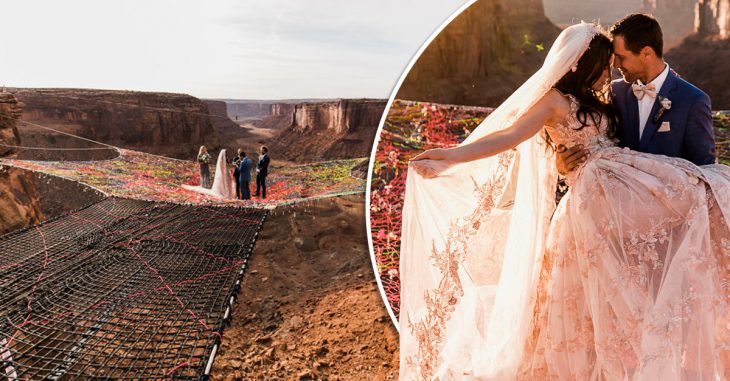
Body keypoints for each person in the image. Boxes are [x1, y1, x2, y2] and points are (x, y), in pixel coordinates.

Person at [400, 22, 729, 380]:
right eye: (607, 62)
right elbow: (510, 134)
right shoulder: (560, 100)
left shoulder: (606, 96)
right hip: (592, 205)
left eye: (617, 60)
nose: (613, 69)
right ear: (582, 63)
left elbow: (691, 160)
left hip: (629, 198)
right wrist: (452, 155)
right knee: (599, 304)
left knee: (707, 191)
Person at [556, 14, 715, 173]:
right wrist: (563, 166)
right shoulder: (613, 92)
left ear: (646, 53)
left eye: (620, 57)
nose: (616, 65)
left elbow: (705, 170)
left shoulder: (693, 100)